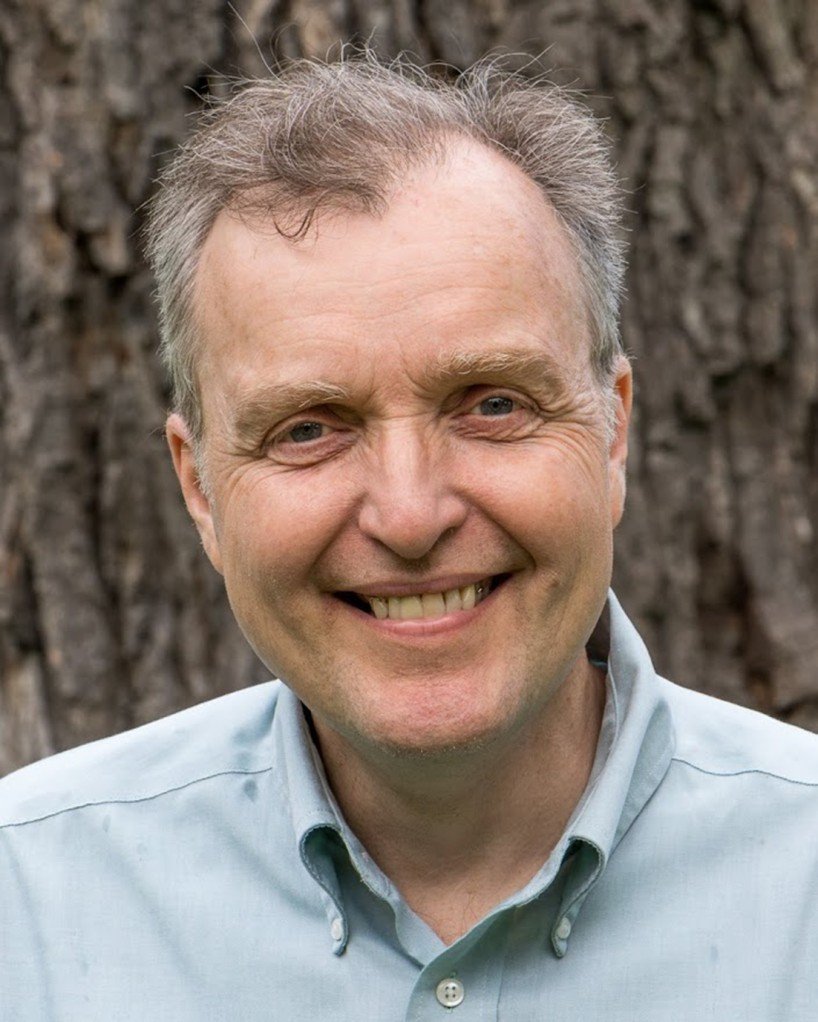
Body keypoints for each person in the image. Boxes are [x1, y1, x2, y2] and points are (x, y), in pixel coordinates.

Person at [1, 53, 817, 1021]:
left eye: (492, 404)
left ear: (612, 433)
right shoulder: (27, 904)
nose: (409, 515)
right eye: (308, 428)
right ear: (200, 490)